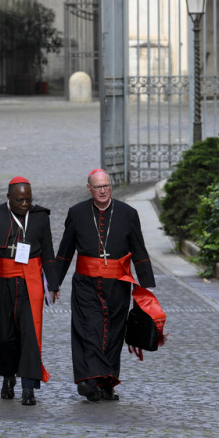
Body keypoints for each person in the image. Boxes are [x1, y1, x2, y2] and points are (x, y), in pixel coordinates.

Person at [52, 168, 156, 402]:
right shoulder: (77, 213)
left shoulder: (128, 213)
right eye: (98, 187)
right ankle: (89, 381)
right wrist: (55, 283)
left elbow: (139, 249)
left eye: (106, 186)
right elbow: (65, 252)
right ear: (89, 188)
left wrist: (146, 284)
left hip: (118, 285)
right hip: (85, 285)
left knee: (114, 335)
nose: (103, 190)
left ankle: (107, 383)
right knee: (90, 330)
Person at [0, 176, 58, 406]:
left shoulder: (39, 218)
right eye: (20, 200)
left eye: (28, 200)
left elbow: (47, 252)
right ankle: (8, 377)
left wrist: (53, 285)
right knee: (3, 335)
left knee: (30, 334)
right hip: (0, 284)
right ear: (8, 198)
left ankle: (28, 387)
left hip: (30, 283)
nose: (25, 204)